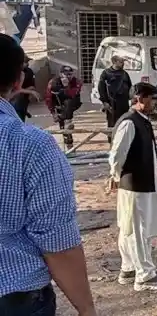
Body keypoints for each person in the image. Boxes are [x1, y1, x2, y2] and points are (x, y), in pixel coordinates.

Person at [0, 34, 97, 316]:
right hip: (14, 294)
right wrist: (86, 309)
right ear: (18, 81)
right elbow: (57, 241)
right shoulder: (29, 145)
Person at [109, 82, 157, 291]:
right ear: (139, 98)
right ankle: (144, 276)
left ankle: (128, 268)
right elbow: (117, 154)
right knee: (138, 229)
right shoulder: (129, 123)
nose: (156, 102)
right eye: (152, 98)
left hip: (142, 183)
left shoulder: (141, 121)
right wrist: (115, 175)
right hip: (134, 185)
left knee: (130, 228)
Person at [45, 65, 83, 149]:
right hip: (59, 105)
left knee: (68, 103)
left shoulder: (76, 82)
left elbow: (72, 94)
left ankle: (67, 122)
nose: (68, 76)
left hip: (72, 104)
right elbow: (48, 98)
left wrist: (66, 86)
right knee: (64, 127)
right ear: (60, 74)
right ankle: (69, 146)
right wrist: (53, 113)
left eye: (70, 74)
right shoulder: (53, 82)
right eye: (66, 74)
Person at [98, 55, 133, 143]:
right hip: (112, 103)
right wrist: (105, 102)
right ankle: (112, 143)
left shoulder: (125, 74)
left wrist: (132, 99)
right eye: (121, 62)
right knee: (112, 124)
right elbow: (101, 88)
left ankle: (123, 141)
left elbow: (130, 87)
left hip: (124, 103)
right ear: (114, 62)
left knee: (124, 122)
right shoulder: (106, 73)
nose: (123, 64)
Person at [10, 55, 40, 121]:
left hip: (22, 98)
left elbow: (30, 86)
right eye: (25, 62)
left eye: (27, 62)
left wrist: (30, 90)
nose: (27, 64)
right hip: (11, 99)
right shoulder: (11, 73)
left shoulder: (27, 72)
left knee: (20, 116)